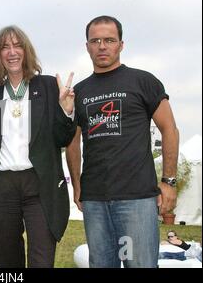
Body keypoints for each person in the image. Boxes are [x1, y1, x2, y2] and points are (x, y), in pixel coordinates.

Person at [66, 15, 180, 268]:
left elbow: (169, 129)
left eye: (109, 40)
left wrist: (169, 182)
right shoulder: (80, 91)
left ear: (121, 44)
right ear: (87, 46)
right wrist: (77, 185)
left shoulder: (143, 81)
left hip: (137, 198)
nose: (102, 46)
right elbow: (72, 142)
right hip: (94, 199)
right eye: (95, 41)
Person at [0, 25, 76, 268]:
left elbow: (63, 138)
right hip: (1, 186)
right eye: (4, 47)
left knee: (41, 259)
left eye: (17, 45)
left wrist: (65, 110)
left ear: (26, 51)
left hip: (39, 185)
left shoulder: (50, 87)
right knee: (6, 261)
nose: (12, 52)